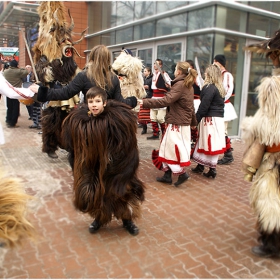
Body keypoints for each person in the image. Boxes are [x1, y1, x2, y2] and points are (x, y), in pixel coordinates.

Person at [61, 86, 145, 235]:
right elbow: (73, 147)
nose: (94, 104)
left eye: (97, 101)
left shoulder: (117, 121)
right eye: (91, 101)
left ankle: (127, 220)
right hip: (94, 167)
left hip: (117, 167)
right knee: (98, 195)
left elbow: (127, 144)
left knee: (122, 193)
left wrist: (118, 162)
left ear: (104, 103)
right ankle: (99, 219)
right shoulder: (80, 123)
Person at [240, 51, 280, 258]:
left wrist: (249, 127)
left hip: (274, 159)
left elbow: (269, 126)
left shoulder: (274, 84)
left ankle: (272, 245)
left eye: (273, 54)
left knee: (269, 200)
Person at [141, 61, 197, 187]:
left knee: (170, 149)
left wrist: (145, 103)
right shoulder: (187, 84)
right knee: (166, 148)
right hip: (181, 122)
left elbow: (166, 101)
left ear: (178, 71)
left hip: (177, 122)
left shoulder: (181, 84)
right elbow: (190, 106)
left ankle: (181, 174)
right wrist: (193, 122)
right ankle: (167, 175)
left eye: (176, 69)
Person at [30, 45, 137, 108]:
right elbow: (120, 102)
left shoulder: (84, 75)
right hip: (108, 122)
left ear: (92, 57)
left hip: (88, 121)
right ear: (108, 59)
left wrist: (42, 91)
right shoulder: (113, 78)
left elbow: (65, 93)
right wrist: (133, 100)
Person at [191, 64, 226, 179]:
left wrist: (195, 121)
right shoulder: (219, 87)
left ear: (210, 74)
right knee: (209, 143)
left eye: (206, 72)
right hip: (217, 119)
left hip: (209, 119)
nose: (204, 74)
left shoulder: (209, 87)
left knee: (208, 143)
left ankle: (211, 169)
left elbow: (204, 106)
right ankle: (203, 166)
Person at [213, 54, 237, 165]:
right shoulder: (218, 74)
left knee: (222, 131)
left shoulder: (226, 75)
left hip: (224, 106)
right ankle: (226, 153)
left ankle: (228, 154)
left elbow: (228, 91)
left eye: (215, 62)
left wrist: (219, 101)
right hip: (219, 105)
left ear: (218, 62)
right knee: (220, 131)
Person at [147, 58, 171, 140]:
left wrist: (168, 85)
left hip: (161, 98)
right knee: (153, 117)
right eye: (154, 64)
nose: (155, 65)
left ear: (160, 65)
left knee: (160, 118)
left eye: (157, 64)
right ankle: (155, 133)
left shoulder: (164, 74)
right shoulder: (153, 75)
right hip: (154, 97)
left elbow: (170, 83)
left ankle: (164, 134)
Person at [3, 60, 28, 128]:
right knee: (15, 108)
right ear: (16, 65)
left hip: (8, 91)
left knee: (9, 107)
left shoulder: (6, 72)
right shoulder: (18, 71)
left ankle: (8, 120)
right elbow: (26, 72)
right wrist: (21, 68)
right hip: (16, 92)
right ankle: (13, 123)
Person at [138, 66, 153, 135]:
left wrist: (148, 87)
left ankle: (154, 128)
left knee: (150, 114)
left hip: (149, 97)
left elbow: (154, 87)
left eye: (145, 71)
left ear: (149, 72)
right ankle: (144, 128)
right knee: (142, 114)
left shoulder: (152, 79)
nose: (144, 72)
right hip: (143, 97)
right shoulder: (143, 78)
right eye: (143, 71)